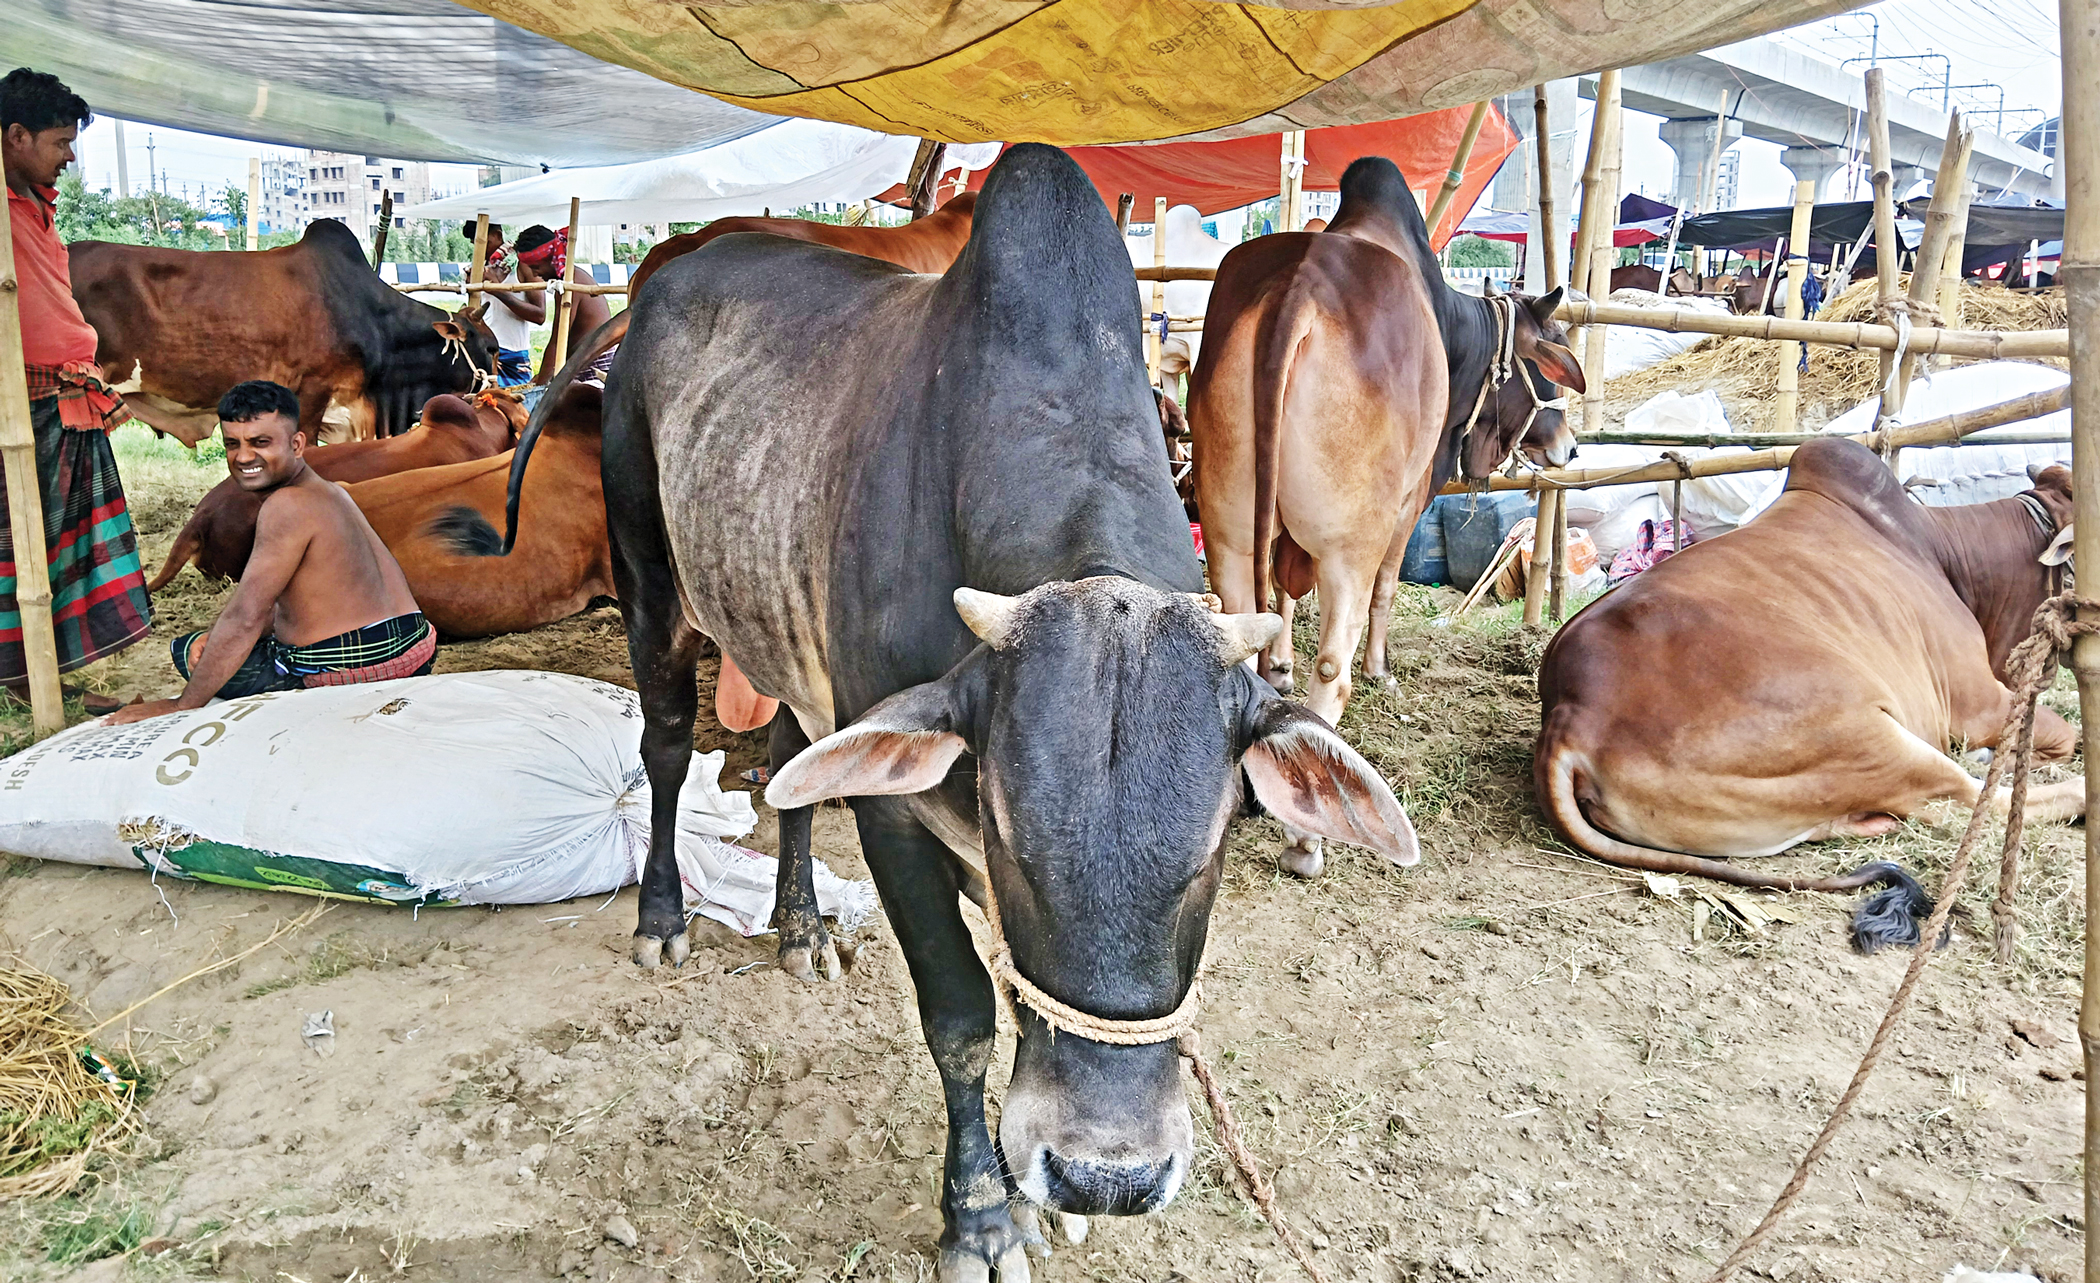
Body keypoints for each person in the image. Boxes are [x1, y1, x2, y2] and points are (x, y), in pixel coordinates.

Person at [106, 382, 435, 725]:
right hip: (414, 647)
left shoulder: (286, 506)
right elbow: (282, 603)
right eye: (233, 444)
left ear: (297, 444)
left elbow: (245, 617)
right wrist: (222, 639)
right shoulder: (332, 492)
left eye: (260, 442)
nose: (244, 456)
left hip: (363, 667)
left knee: (190, 651)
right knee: (219, 643)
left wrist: (182, 705)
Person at [2, 68, 151, 714]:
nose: (69, 157)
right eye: (60, 142)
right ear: (15, 136)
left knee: (59, 551)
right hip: (19, 405)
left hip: (62, 399)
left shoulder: (34, 202)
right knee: (18, 546)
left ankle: (44, 672)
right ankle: (20, 678)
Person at [511, 224, 614, 386]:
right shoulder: (569, 278)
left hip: (594, 366)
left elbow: (557, 341)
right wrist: (545, 374)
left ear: (551, 258)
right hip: (584, 361)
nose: (535, 274)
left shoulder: (569, 284)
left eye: (536, 267)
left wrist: (541, 388)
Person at [471, 222, 536, 386]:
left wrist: (497, 291)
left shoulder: (523, 266)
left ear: (498, 236)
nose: (480, 249)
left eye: (483, 242)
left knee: (517, 406)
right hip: (485, 349)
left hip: (512, 353)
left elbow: (539, 315)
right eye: (475, 244)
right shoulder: (484, 268)